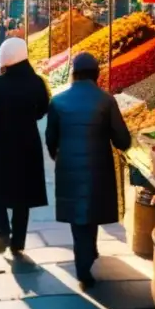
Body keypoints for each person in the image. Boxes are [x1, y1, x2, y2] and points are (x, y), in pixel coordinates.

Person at [46, 52, 131, 289]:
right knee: (91, 209)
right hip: (98, 167)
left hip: (69, 166)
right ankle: (85, 262)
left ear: (73, 73)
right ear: (97, 74)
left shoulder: (58, 101)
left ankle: (85, 257)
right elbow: (122, 139)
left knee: (78, 216)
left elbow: (50, 137)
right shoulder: (106, 100)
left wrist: (57, 155)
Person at [0, 38, 49, 256]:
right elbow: (43, 109)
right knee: (23, 194)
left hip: (2, 142)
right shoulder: (37, 82)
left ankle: (2, 231)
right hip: (29, 142)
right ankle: (18, 242)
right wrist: (29, 118)